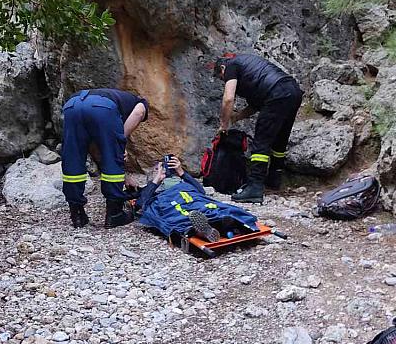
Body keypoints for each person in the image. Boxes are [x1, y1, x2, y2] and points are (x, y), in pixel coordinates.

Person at [213, 52, 303, 203]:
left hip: (277, 93)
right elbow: (256, 105)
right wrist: (236, 117)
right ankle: (274, 178)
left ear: (222, 68)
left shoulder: (230, 65)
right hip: (292, 91)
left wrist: (223, 124)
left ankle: (255, 187)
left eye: (222, 78)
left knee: (261, 141)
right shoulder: (251, 71)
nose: (225, 80)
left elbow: (228, 99)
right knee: (280, 139)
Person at [61, 88, 148, 229]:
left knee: (73, 159)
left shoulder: (113, 95)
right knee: (112, 155)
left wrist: (123, 175)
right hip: (102, 108)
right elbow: (139, 112)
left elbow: (97, 149)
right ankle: (114, 215)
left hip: (72, 105)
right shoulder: (139, 102)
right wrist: (118, 141)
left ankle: (77, 215)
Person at [137, 155, 259, 241]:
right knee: (181, 212)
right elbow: (142, 203)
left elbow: (200, 191)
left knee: (204, 206)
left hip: (188, 194)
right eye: (157, 169)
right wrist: (157, 179)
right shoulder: (151, 187)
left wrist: (181, 172)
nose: (162, 170)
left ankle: (218, 224)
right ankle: (209, 228)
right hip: (167, 199)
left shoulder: (178, 179)